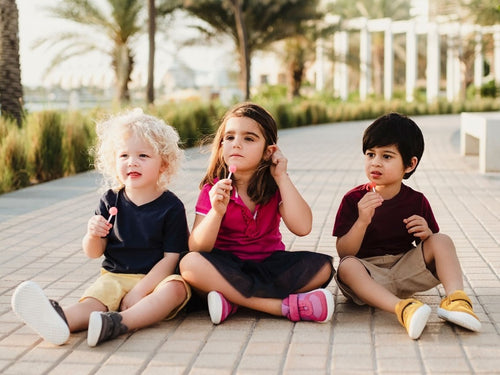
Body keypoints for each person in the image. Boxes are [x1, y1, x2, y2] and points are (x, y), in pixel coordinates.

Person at [11, 108, 191, 347]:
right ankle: (60, 319)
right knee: (94, 302)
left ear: (163, 164)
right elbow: (93, 252)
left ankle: (117, 323)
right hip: (115, 276)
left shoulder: (171, 207)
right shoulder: (110, 200)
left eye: (143, 156)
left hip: (155, 279)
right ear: (113, 160)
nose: (132, 162)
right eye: (124, 155)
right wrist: (92, 234)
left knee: (176, 289)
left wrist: (140, 291)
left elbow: (171, 259)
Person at [180, 102, 334, 325]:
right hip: (227, 267)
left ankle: (232, 301)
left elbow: (303, 228)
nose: (237, 145)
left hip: (268, 265)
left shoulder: (275, 186)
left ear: (267, 152)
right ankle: (280, 307)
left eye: (249, 138)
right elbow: (197, 247)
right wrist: (216, 212)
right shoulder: (213, 190)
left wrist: (282, 177)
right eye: (229, 137)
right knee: (190, 263)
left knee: (325, 267)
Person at [332, 112, 481, 339]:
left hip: (405, 270)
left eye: (387, 156)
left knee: (442, 241)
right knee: (346, 266)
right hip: (370, 275)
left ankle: (457, 301)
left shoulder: (416, 201)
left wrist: (427, 234)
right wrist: (362, 221)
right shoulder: (354, 199)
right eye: (370, 154)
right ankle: (404, 309)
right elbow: (344, 252)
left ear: (410, 164)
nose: (376, 162)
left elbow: (431, 247)